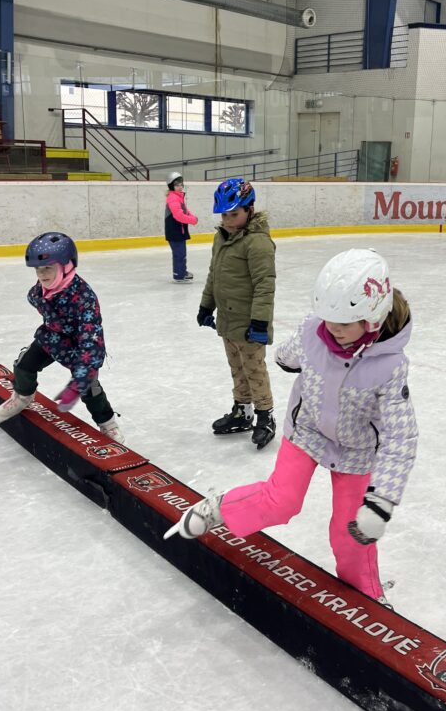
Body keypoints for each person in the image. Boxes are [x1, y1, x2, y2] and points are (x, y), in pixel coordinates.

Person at [168, 248, 419, 604]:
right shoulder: (314, 331)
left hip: (357, 449)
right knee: (281, 501)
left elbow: (400, 437)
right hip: (307, 431)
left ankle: (366, 596)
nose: (333, 329)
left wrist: (380, 501)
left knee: (351, 534)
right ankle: (219, 509)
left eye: (344, 322)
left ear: (373, 317)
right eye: (328, 318)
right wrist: (289, 358)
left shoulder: (390, 366)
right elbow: (288, 355)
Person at [0, 231, 124, 443]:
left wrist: (79, 379)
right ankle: (23, 397)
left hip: (80, 347)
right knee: (24, 365)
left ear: (67, 266)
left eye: (48, 268)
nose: (41, 274)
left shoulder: (83, 298)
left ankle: (108, 423)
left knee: (89, 387)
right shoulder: (41, 291)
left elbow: (91, 342)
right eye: (38, 269)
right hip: (52, 338)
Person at [197, 177, 277, 450]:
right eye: (224, 215)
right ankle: (243, 412)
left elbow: (265, 285)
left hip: (249, 323)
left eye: (234, 214)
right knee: (237, 369)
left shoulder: (258, 243)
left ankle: (265, 416)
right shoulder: (221, 238)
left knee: (255, 370)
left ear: (249, 210)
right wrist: (206, 305)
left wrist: (260, 322)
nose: (228, 221)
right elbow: (214, 275)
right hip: (227, 320)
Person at [164, 171, 198, 283]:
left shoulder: (178, 197)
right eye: (176, 185)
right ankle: (179, 275)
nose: (180, 187)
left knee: (181, 253)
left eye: (181, 184)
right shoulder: (173, 198)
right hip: (175, 230)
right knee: (179, 254)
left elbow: (185, 211)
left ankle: (181, 272)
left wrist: (192, 217)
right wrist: (192, 220)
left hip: (179, 230)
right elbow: (178, 216)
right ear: (171, 186)